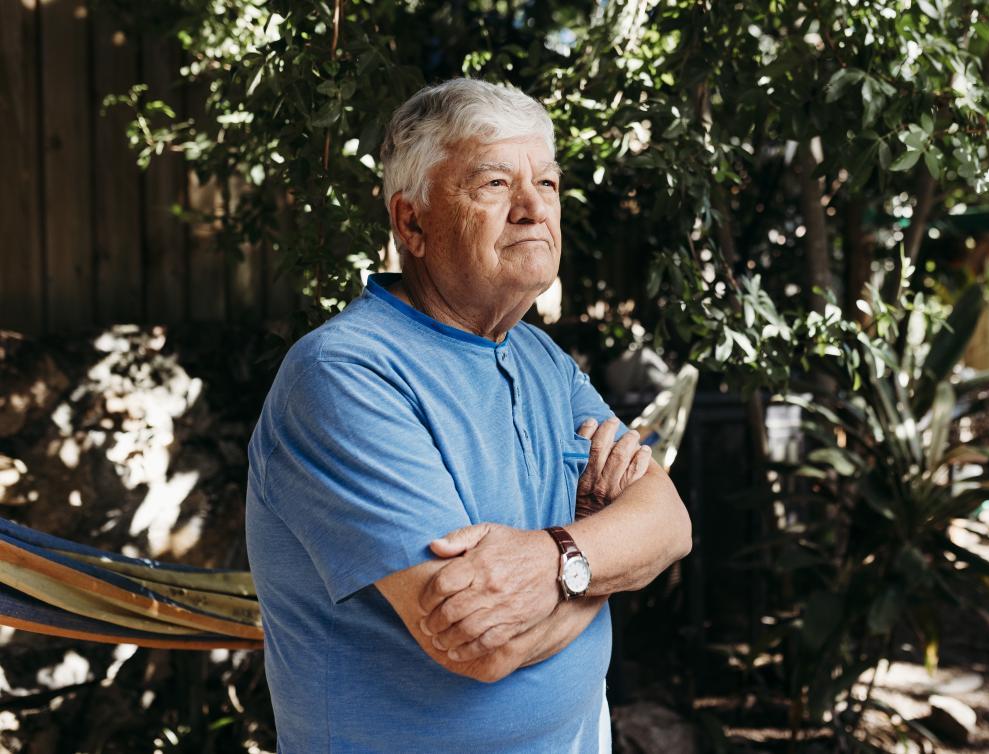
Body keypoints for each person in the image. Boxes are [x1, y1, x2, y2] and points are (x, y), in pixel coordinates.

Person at [245, 78, 692, 753]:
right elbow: (482, 645)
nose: (531, 208)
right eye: (493, 184)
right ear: (412, 223)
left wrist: (559, 559)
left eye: (546, 183)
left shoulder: (538, 356)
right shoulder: (345, 374)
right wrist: (603, 560)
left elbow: (670, 524)